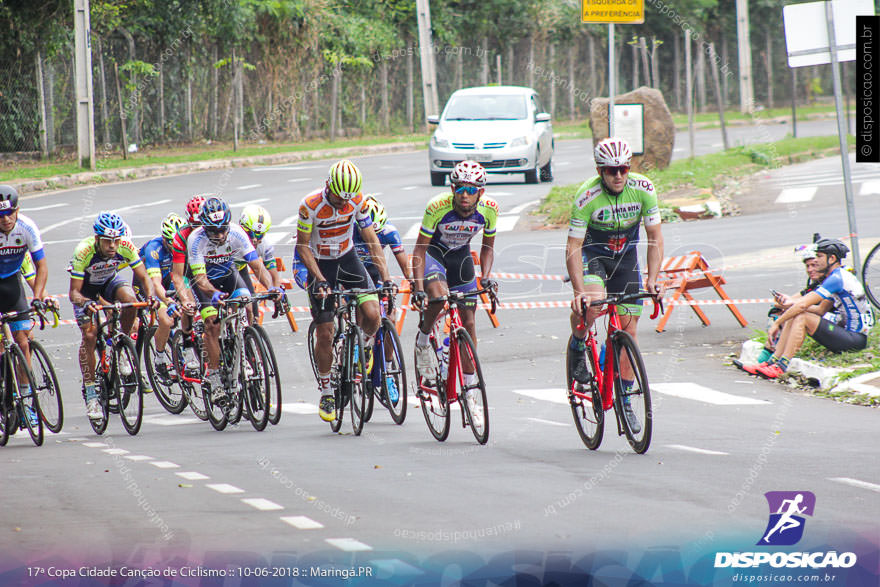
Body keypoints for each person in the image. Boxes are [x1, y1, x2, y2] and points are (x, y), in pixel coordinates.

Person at [565, 137, 663, 434]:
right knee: (593, 305)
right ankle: (579, 343)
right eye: (611, 170)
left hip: (625, 261)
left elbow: (655, 238)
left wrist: (653, 279)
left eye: (623, 168)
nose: (618, 175)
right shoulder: (586, 196)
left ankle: (625, 399)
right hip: (593, 257)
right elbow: (573, 246)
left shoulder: (643, 189)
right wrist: (579, 292)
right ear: (600, 170)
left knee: (629, 330)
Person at [296, 159, 395, 422]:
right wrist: (319, 279)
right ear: (329, 185)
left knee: (373, 313)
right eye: (339, 199)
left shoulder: (357, 200)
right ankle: (327, 390)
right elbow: (303, 247)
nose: (343, 204)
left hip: (348, 258)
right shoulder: (310, 206)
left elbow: (372, 239)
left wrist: (385, 277)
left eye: (347, 200)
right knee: (326, 332)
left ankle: (361, 348)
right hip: (320, 264)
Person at [411, 160, 499, 408]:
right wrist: (419, 288)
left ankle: (470, 392)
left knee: (469, 323)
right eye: (460, 188)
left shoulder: (490, 210)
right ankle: (423, 339)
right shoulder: (437, 207)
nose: (464, 195)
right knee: (438, 297)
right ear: (452, 189)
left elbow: (487, 248)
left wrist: (487, 276)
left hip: (460, 257)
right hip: (434, 254)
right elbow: (419, 249)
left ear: (481, 192)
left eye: (471, 190)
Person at [187, 197, 281, 399]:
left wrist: (272, 288)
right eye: (214, 231)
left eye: (223, 230)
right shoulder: (196, 240)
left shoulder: (237, 233)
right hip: (205, 283)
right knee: (212, 324)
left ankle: (243, 348)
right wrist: (214, 294)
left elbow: (258, 267)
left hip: (229, 275)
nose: (220, 235)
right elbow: (201, 280)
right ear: (205, 227)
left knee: (247, 303)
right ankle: (214, 379)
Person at [69, 212, 157, 420]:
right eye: (108, 241)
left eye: (116, 241)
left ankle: (120, 346)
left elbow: (145, 277)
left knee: (131, 299)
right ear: (98, 239)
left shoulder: (125, 245)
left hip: (109, 281)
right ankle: (91, 394)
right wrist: (86, 302)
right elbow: (74, 293)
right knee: (89, 336)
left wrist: (152, 296)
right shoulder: (84, 251)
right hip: (86, 291)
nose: (113, 246)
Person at [751, 239, 874, 379]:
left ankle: (780, 366)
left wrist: (778, 323)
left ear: (832, 258)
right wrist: (789, 306)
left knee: (801, 315)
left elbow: (803, 304)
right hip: (847, 334)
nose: (817, 261)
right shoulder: (835, 276)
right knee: (798, 313)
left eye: (820, 256)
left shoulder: (837, 278)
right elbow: (820, 310)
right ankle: (771, 362)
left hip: (855, 339)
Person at [0, 186, 49, 427]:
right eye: (1, 216)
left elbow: (41, 266)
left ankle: (27, 403)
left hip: (12, 284)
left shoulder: (27, 227)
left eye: (10, 213)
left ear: (17, 210)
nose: (6, 219)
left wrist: (38, 297)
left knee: (23, 342)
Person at [137, 213, 186, 379]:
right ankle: (159, 359)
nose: (175, 246)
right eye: (171, 243)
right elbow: (155, 284)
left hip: (170, 279)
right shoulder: (154, 250)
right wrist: (167, 301)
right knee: (165, 319)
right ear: (164, 239)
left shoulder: (185, 245)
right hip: (149, 283)